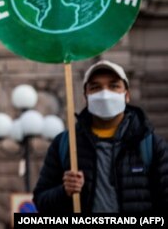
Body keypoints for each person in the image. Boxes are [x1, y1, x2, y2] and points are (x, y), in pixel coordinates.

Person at [33, 60, 168, 213]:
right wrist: (64, 192)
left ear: (127, 95)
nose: (105, 94)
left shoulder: (150, 145)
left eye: (114, 86)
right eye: (96, 88)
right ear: (86, 96)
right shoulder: (65, 144)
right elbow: (40, 202)